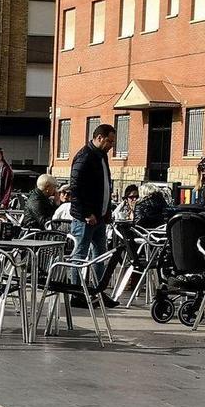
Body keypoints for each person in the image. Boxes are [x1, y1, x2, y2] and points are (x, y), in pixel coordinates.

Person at [68, 124, 119, 308]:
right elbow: (76, 187)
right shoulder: (85, 156)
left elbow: (104, 185)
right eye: (109, 141)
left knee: (100, 254)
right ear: (99, 138)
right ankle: (76, 292)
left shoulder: (101, 156)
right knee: (79, 253)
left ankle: (98, 291)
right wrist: (86, 213)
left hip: (100, 216)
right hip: (86, 217)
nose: (111, 145)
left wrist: (107, 211)